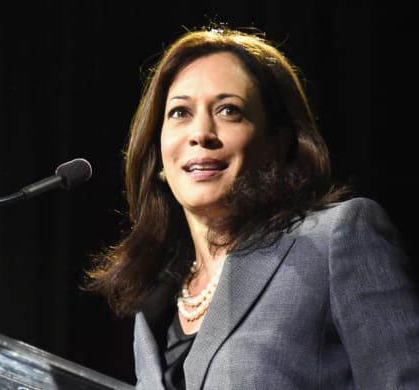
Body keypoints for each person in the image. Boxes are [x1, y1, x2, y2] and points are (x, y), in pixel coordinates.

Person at [84, 22, 419, 389]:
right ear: (158, 149)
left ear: (277, 141)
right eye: (180, 113)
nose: (200, 134)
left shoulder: (335, 238)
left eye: (229, 110)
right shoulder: (155, 304)